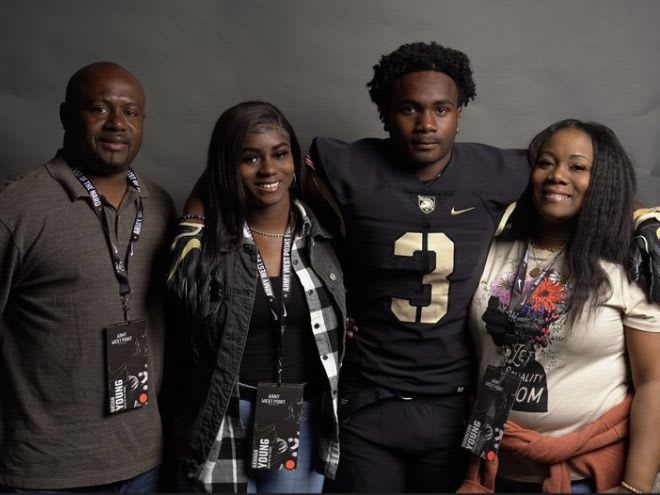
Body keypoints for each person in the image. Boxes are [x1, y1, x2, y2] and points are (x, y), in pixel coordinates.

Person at [303, 42, 660, 493]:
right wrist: (195, 220)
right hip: (372, 395)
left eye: (442, 109)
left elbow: (578, 183)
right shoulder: (348, 164)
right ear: (385, 111)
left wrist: (645, 216)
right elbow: (258, 161)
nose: (426, 124)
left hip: (457, 408)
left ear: (460, 112)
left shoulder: (495, 170)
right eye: (409, 109)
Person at [0, 62, 175, 491]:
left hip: (143, 463)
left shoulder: (161, 207)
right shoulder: (18, 208)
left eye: (131, 112)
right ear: (65, 115)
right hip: (43, 472)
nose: (117, 123)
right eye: (99, 108)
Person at [464, 119, 660, 493]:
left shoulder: (629, 266)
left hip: (585, 477)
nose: (557, 175)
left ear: (603, 181)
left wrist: (634, 487)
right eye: (545, 162)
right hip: (491, 466)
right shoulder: (491, 247)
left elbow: (655, 382)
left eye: (578, 167)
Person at [165, 101, 345, 493]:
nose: (268, 170)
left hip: (300, 414)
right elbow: (186, 297)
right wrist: (198, 206)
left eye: (280, 154)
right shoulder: (212, 243)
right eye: (249, 158)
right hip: (223, 412)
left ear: (294, 161)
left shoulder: (321, 236)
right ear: (226, 167)